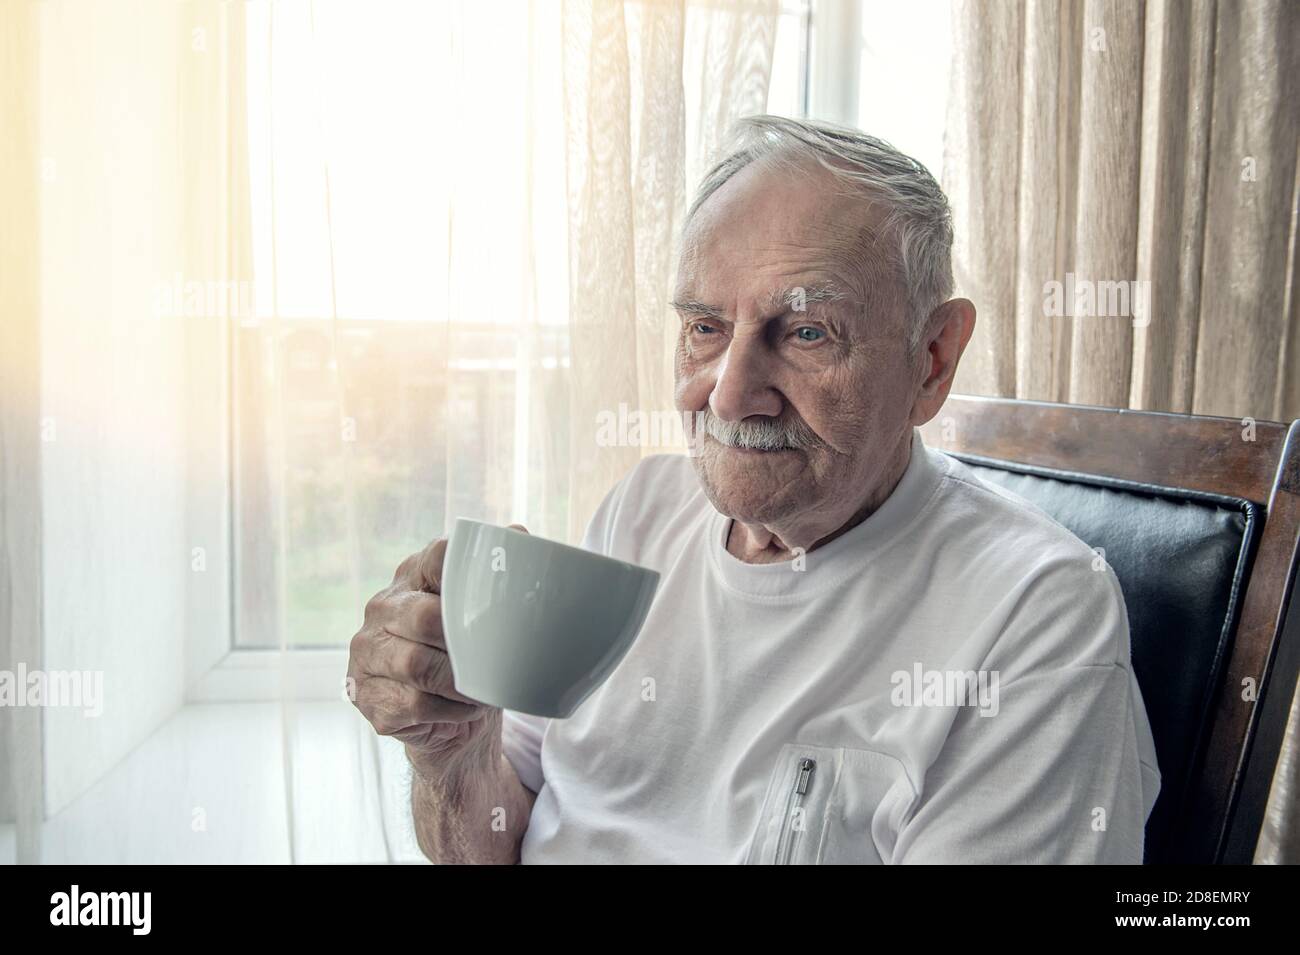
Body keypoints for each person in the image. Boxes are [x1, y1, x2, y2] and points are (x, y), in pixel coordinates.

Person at [346, 116, 1161, 864]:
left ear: (932, 358)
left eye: (806, 331)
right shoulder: (640, 512)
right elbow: (498, 834)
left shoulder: (1037, 613)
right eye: (705, 327)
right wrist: (451, 750)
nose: (730, 394)